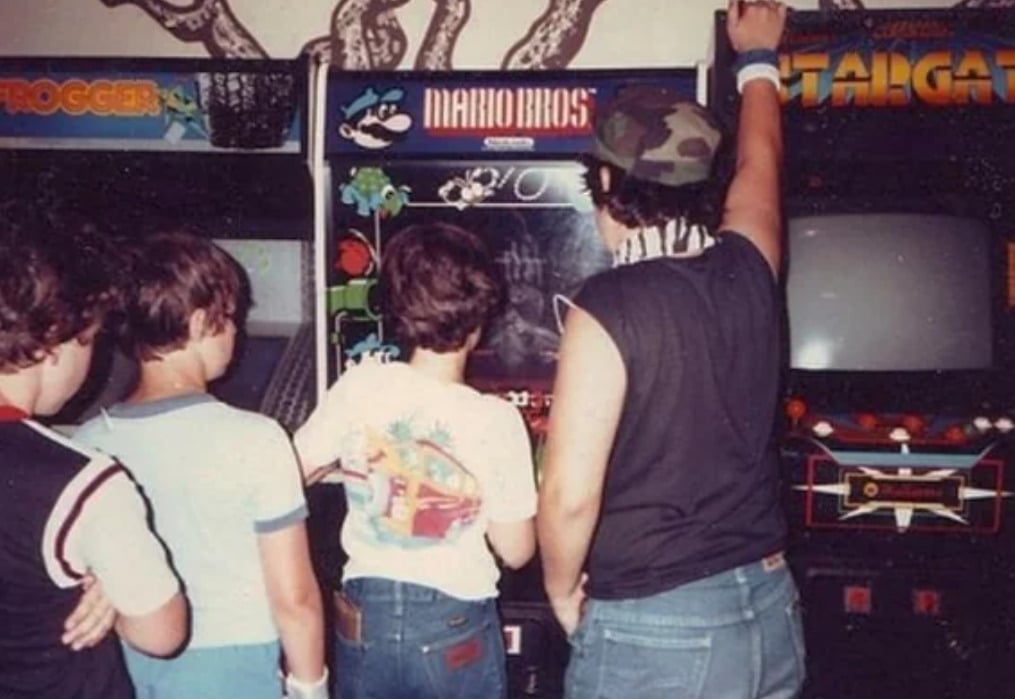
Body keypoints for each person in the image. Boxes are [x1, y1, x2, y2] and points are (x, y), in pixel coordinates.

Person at [537, 2, 805, 698]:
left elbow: (569, 495)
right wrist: (757, 58)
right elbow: (762, 160)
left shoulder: (608, 305)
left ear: (603, 183)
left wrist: (560, 590)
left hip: (660, 626)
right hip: (769, 610)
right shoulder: (750, 264)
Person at [73, 230, 328, 699]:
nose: (237, 332)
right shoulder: (256, 439)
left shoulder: (88, 442)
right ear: (196, 323)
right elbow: (295, 600)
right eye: (229, 318)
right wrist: (311, 688)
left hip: (130, 663)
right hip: (234, 670)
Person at [293, 221, 538, 699]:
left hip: (366, 622)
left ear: (396, 308)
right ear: (480, 317)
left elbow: (293, 472)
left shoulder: (359, 385)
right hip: (454, 622)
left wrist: (353, 463)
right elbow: (516, 550)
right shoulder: (495, 419)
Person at [0, 227, 188, 699]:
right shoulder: (82, 482)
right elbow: (161, 634)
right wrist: (109, 581)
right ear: (55, 342)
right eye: (91, 340)